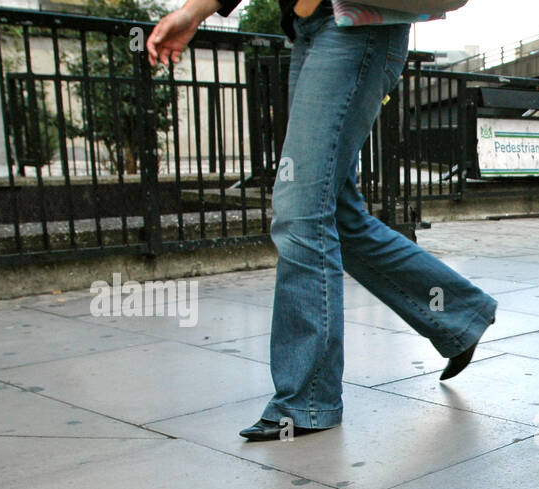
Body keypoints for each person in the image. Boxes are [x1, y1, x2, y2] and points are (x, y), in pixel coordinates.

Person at [147, 0, 497, 442]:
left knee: (301, 209)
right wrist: (194, 12)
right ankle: (459, 313)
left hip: (356, 23)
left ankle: (307, 401)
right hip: (309, 28)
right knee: (336, 213)